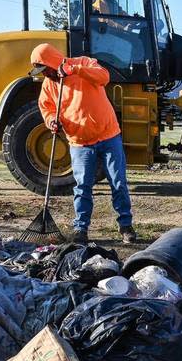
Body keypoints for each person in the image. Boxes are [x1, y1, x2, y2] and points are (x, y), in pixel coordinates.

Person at [30, 42, 137, 245]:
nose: (45, 74)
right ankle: (80, 229)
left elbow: (104, 77)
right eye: (41, 71)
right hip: (79, 142)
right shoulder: (49, 85)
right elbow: (47, 107)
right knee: (82, 187)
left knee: (118, 182)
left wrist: (76, 69)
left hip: (108, 135)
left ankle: (126, 226)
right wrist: (51, 120)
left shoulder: (83, 63)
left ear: (53, 61)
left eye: (46, 69)